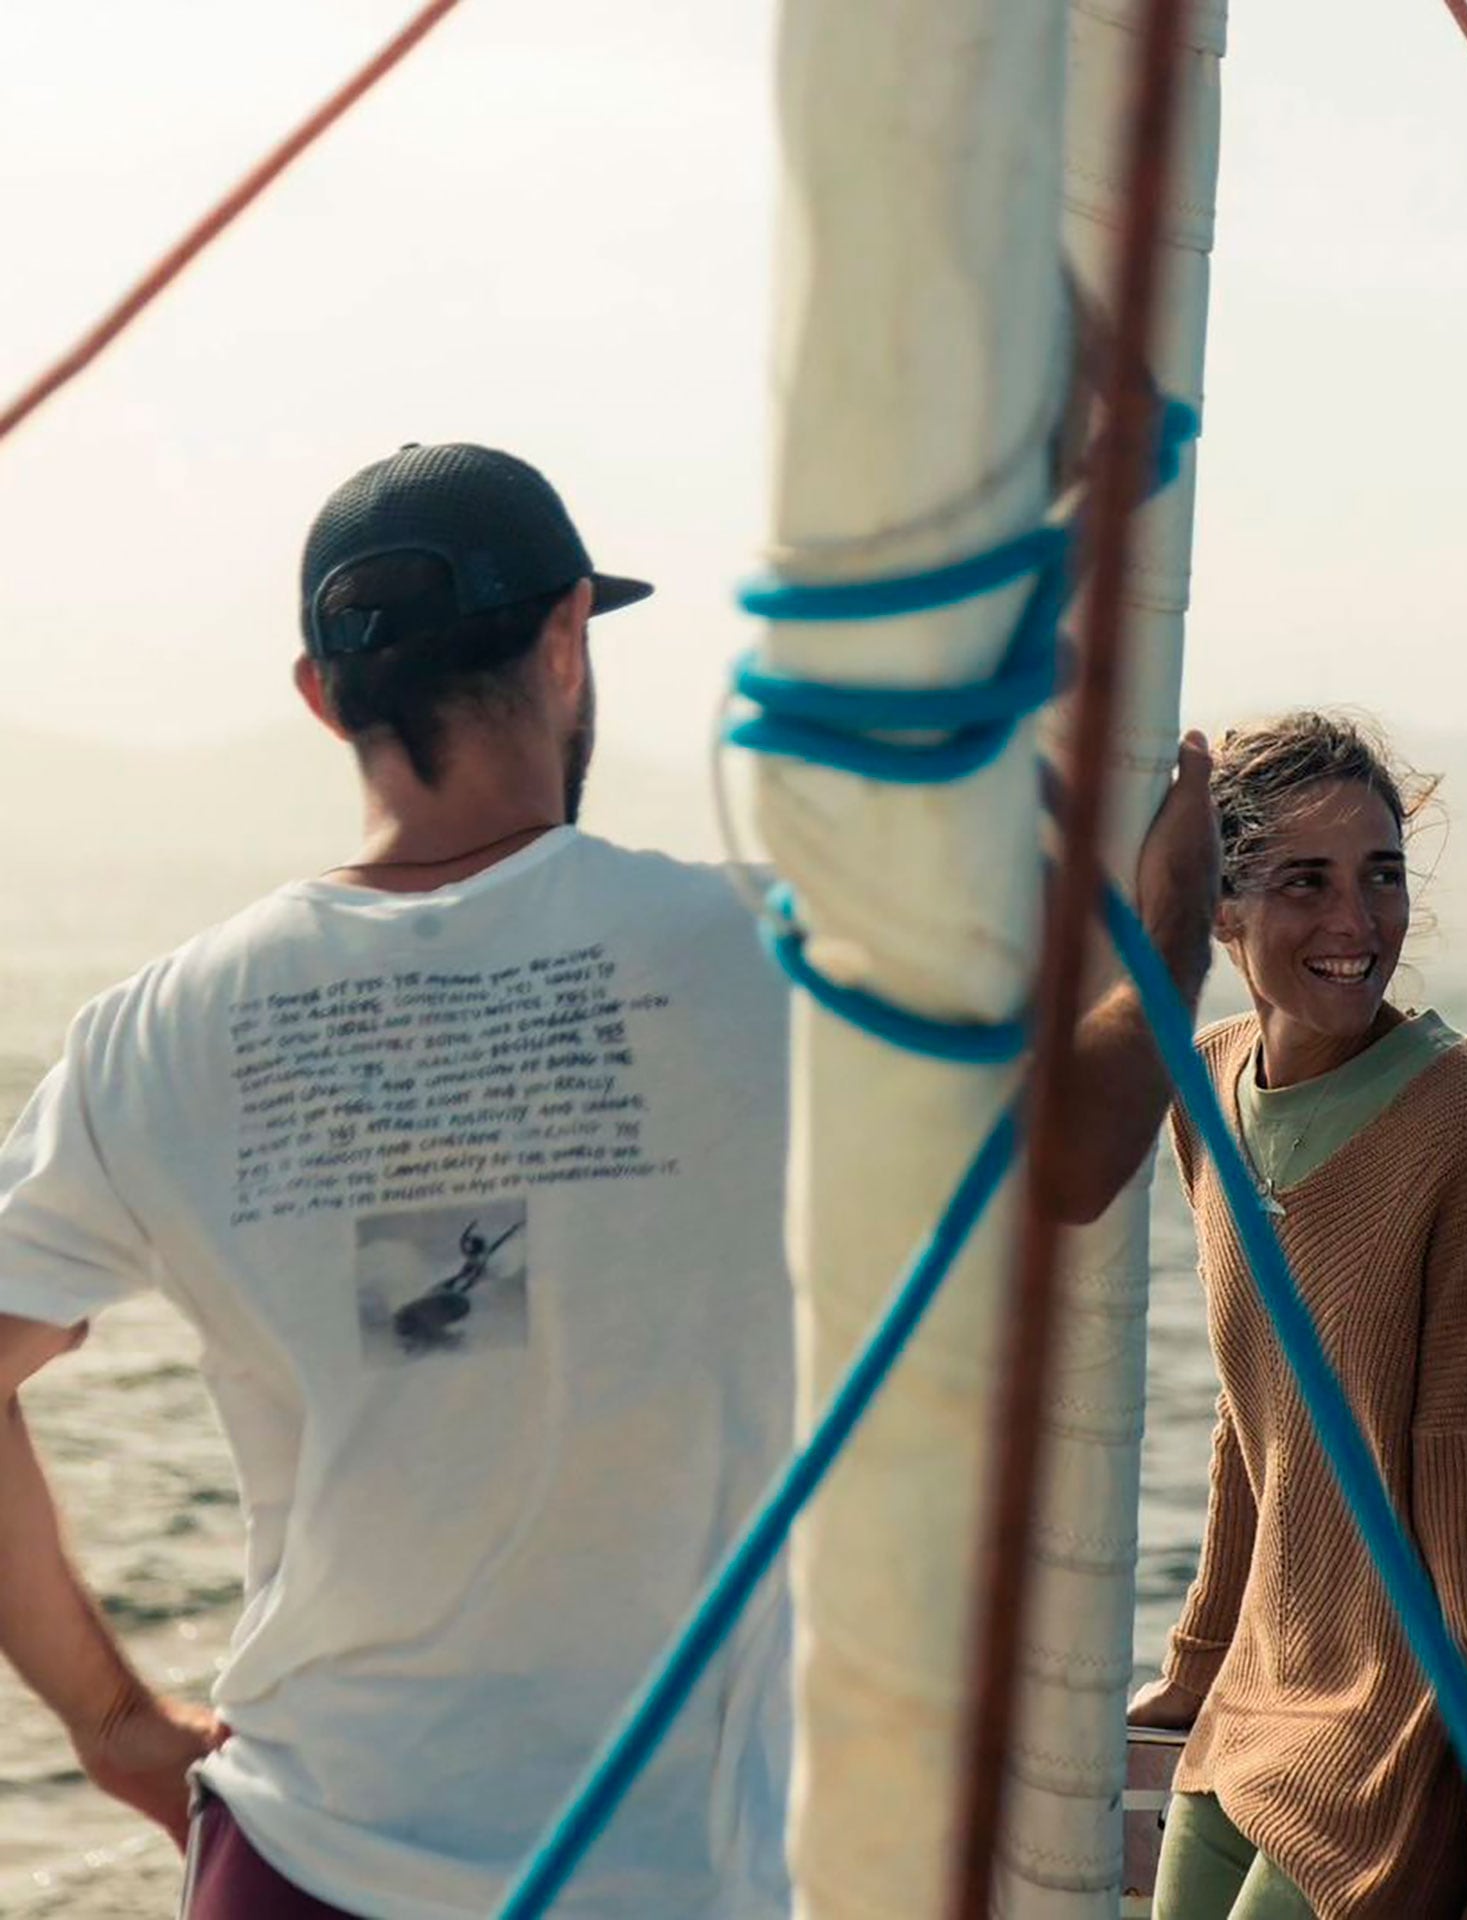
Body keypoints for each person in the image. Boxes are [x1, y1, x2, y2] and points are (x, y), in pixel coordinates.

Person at [0, 441, 1219, 1917]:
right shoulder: (759, 964)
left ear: (324, 699)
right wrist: (1167, 936)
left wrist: (113, 1724)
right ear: (569, 640)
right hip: (648, 1879)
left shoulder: (155, 1031)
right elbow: (1076, 1157)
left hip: (290, 1860)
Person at [1127, 712, 1467, 1920]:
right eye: (1306, 883)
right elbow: (1256, 1433)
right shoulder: (1208, 1091)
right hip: (1249, 1710)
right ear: (1222, 911)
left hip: (1400, 1731)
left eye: (1381, 876)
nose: (1356, 924)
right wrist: (1189, 1674)